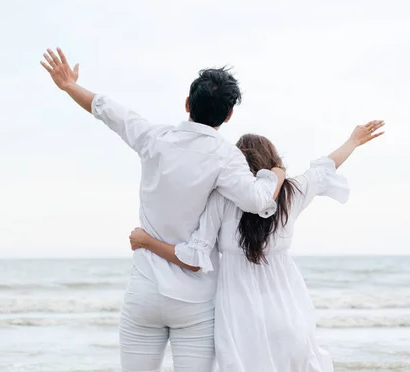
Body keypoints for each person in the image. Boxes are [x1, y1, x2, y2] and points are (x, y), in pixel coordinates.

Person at [40, 48, 286, 372]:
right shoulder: (226, 157)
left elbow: (107, 110)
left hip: (145, 289)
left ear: (188, 104)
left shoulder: (154, 138)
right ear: (228, 116)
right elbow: (258, 200)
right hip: (196, 301)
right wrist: (275, 174)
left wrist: (69, 85)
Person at [129, 122, 384, 372]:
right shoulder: (291, 193)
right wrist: (352, 141)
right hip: (287, 308)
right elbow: (324, 167)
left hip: (239, 316)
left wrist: (146, 241)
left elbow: (194, 257)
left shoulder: (222, 197)